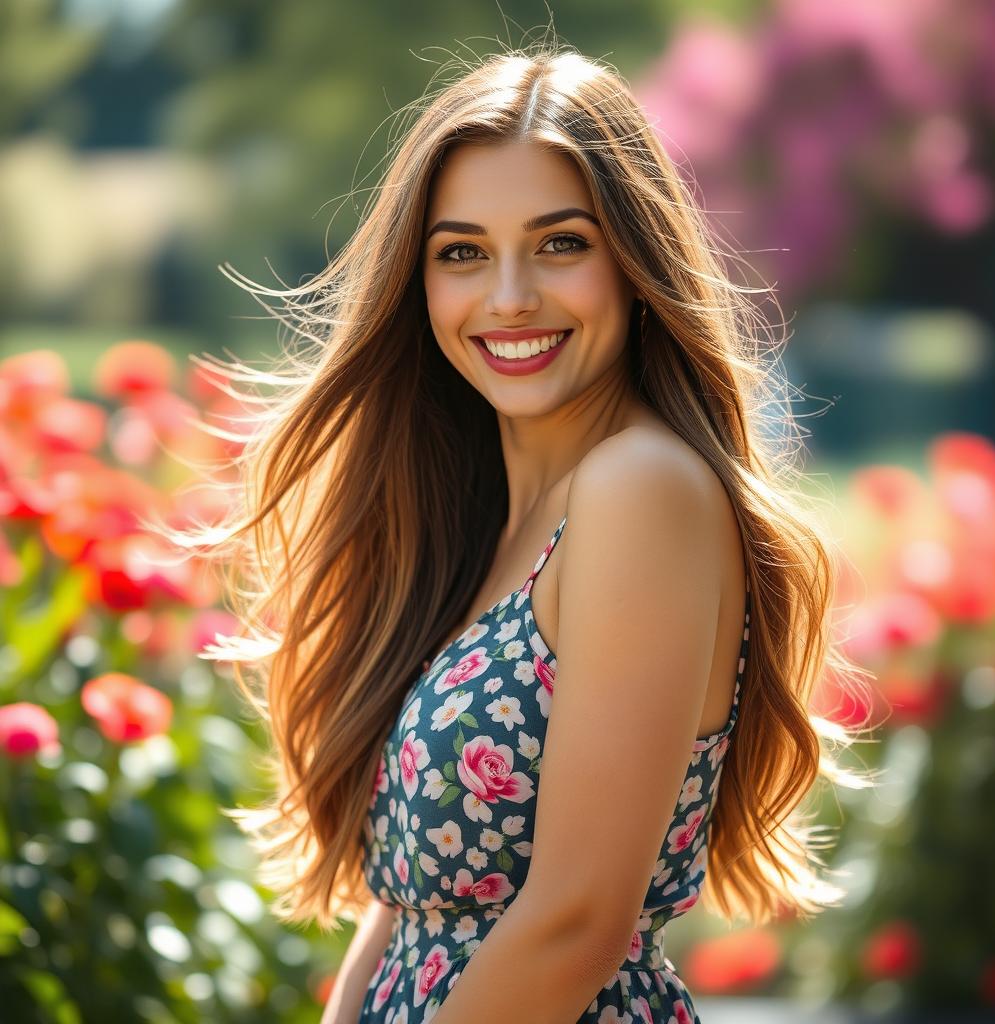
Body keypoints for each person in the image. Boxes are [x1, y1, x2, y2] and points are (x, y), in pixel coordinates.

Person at [180, 40, 869, 1024]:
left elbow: (574, 924)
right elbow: (407, 913)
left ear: (634, 264)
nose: (508, 296)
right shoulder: (489, 523)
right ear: (419, 287)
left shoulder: (640, 490)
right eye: (461, 252)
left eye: (560, 243)